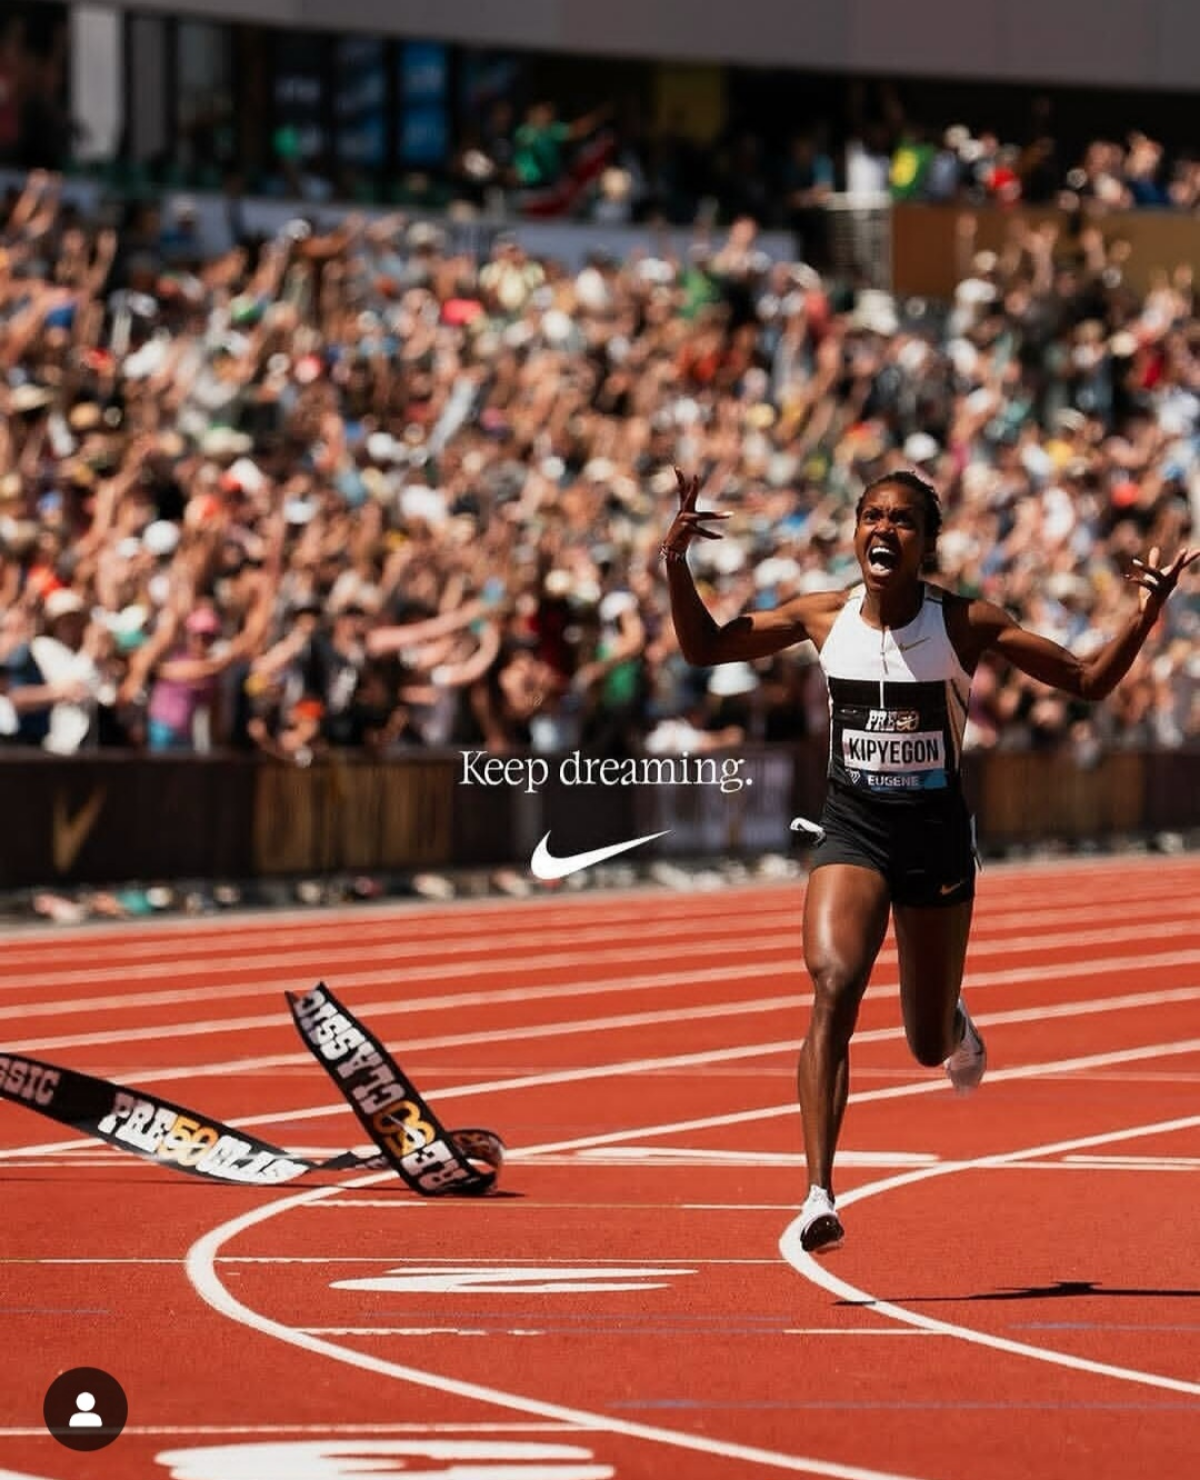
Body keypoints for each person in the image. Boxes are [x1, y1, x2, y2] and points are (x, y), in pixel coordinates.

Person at [662, 466, 1197, 1254]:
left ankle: (951, 1019)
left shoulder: (965, 623)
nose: (883, 530)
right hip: (852, 828)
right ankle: (817, 1193)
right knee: (834, 983)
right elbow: (704, 647)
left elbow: (1084, 682)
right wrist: (674, 565)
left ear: (925, 543)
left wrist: (1147, 614)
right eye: (871, 516)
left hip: (936, 837)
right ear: (854, 533)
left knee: (922, 1042)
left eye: (903, 521)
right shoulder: (821, 616)